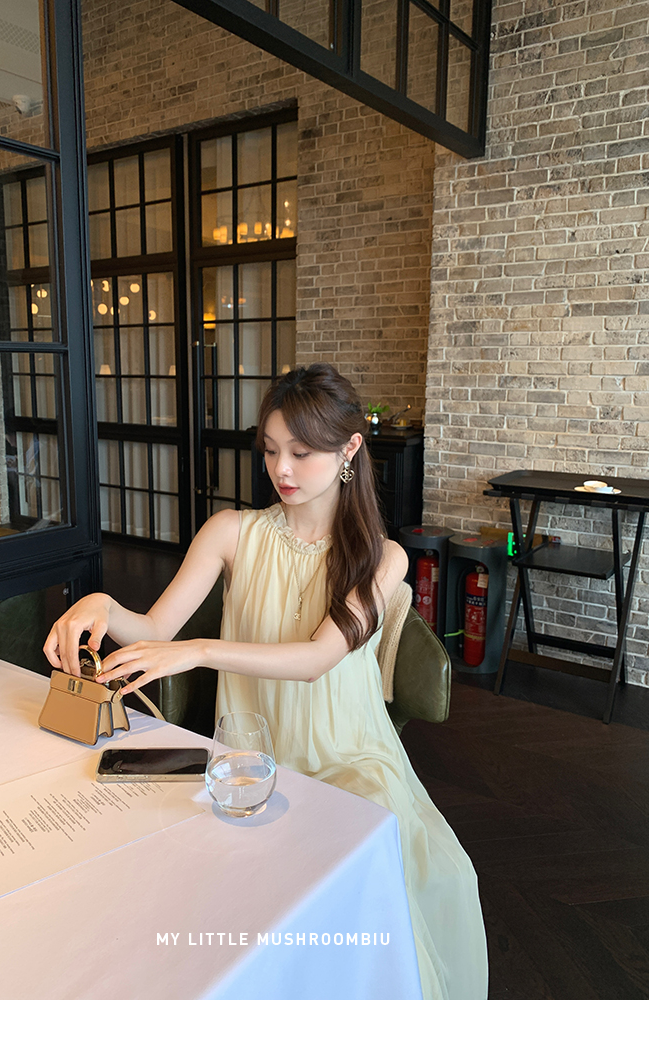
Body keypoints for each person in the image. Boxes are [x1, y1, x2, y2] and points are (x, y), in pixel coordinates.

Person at [44, 363, 488, 1000]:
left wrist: (199, 651)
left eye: (301, 453)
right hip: (249, 759)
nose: (282, 469)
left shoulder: (383, 557)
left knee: (397, 890)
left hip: (347, 759)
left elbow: (315, 659)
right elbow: (156, 627)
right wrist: (103, 606)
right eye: (272, 450)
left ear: (349, 450)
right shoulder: (232, 532)